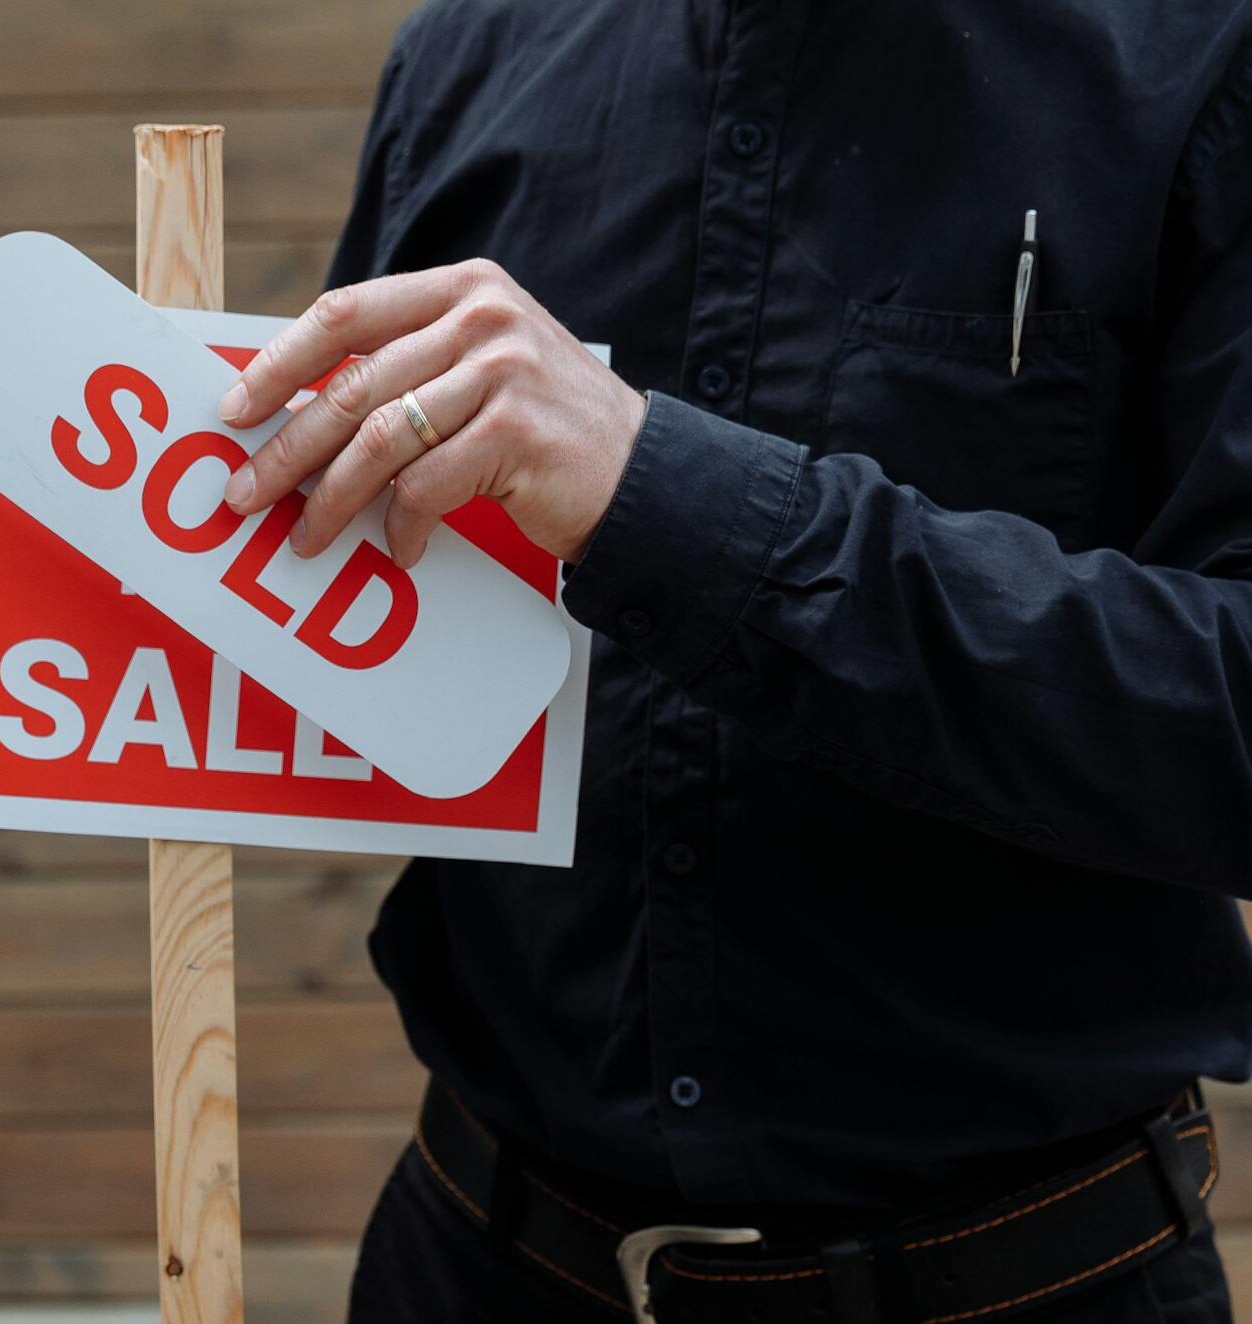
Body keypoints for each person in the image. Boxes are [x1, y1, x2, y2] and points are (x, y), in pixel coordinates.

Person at [216, 1, 1252, 1318]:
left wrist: (665, 498)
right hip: (478, 1258)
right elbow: (358, 585)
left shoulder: (1201, 52)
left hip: (1020, 1281)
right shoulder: (463, 50)